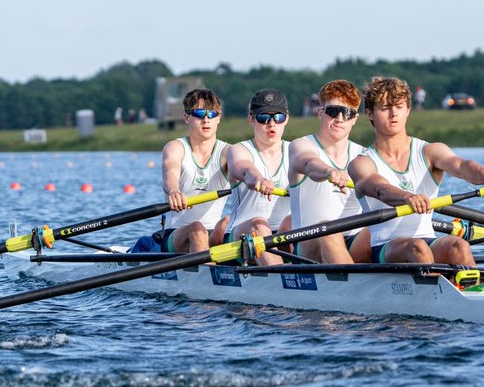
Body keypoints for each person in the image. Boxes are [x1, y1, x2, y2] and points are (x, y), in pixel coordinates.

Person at [350, 77, 484, 266]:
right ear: (370, 113)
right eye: (385, 108)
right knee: (417, 248)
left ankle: (472, 291)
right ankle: (444, 290)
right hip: (385, 246)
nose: (393, 113)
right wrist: (407, 197)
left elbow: (461, 166)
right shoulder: (362, 163)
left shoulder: (429, 151)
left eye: (399, 106)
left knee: (458, 245)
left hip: (427, 240)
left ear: (408, 109)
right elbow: (379, 188)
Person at [288, 79, 372, 264]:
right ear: (320, 112)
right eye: (333, 111)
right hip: (309, 240)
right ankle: (353, 287)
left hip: (353, 242)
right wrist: (329, 172)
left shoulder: (365, 155)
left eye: (347, 113)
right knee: (328, 231)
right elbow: (309, 163)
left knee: (387, 228)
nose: (340, 119)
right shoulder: (301, 145)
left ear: (355, 119)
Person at [151, 88, 230, 253]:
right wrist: (174, 191)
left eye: (212, 114)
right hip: (178, 234)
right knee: (197, 229)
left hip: (213, 233)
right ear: (187, 118)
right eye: (200, 114)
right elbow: (170, 173)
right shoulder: (176, 148)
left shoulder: (228, 152)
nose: (206, 119)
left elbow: (245, 169)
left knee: (228, 223)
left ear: (219, 118)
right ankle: (206, 275)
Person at [224, 89, 292, 267]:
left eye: (278, 117)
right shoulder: (238, 150)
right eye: (263, 118)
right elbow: (244, 168)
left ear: (287, 119)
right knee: (259, 225)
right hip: (243, 235)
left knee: (296, 222)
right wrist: (258, 179)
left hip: (285, 234)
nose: (271, 124)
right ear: (251, 119)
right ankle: (285, 280)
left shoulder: (297, 151)